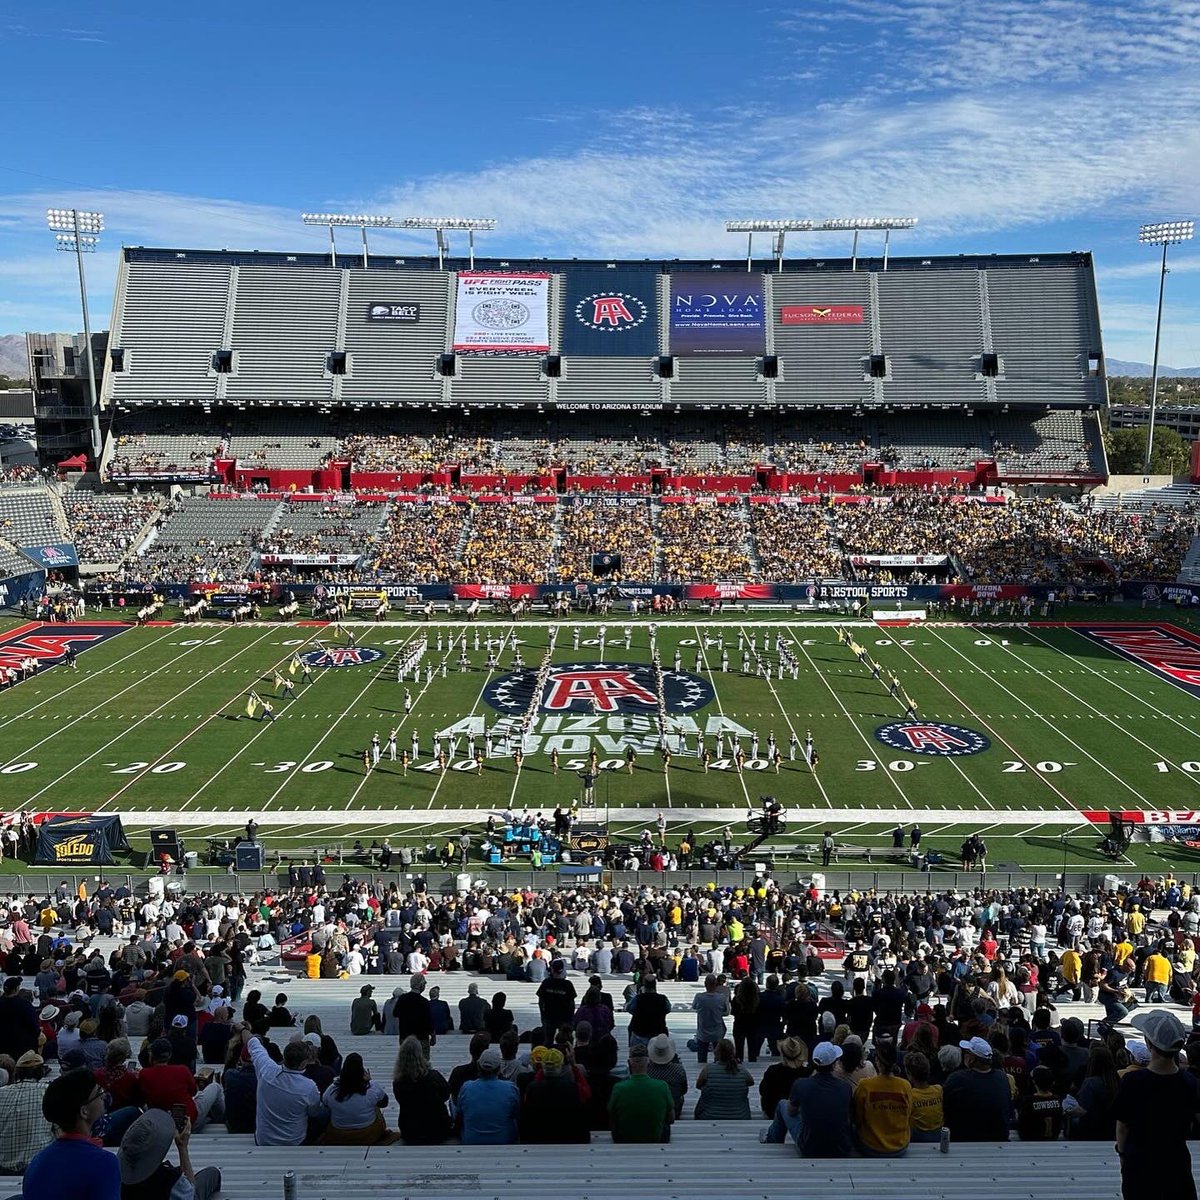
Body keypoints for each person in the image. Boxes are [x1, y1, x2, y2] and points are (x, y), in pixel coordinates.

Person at [1115, 1010, 1200, 1200]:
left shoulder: (1132, 1081)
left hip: (1140, 1161)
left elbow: (1122, 1127)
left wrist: (1122, 1155)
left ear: (1149, 1043)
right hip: (1176, 1161)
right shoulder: (1189, 1082)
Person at [20, 1068, 120, 1200]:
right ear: (84, 1112)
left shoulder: (37, 1162)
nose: (103, 1096)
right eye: (98, 1092)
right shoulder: (104, 1163)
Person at [762, 1040, 853, 1156]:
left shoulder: (801, 1084)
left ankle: (772, 1139)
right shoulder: (845, 1087)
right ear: (834, 1064)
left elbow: (791, 1111)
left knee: (782, 1104)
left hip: (809, 1148)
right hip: (840, 1148)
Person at [116, 1108, 221, 1200]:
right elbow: (190, 1194)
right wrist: (182, 1148)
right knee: (212, 1173)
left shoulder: (115, 1173)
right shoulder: (170, 1179)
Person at [245, 1032, 327, 1146]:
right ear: (303, 1063)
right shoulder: (309, 1087)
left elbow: (254, 1046)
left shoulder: (266, 1070)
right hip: (294, 1141)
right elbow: (314, 1112)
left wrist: (243, 1029)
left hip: (264, 1140)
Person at [942, 1036, 1011, 1141]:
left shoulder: (956, 1079)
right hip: (998, 1138)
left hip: (964, 1139)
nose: (964, 1055)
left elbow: (945, 1107)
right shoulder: (1002, 1078)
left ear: (972, 1058)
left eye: (967, 1053)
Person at [319, 1053, 395, 1145]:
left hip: (339, 1134)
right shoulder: (372, 1087)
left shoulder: (332, 1090)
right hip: (368, 1134)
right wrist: (370, 1081)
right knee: (376, 1105)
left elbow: (324, 1104)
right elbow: (384, 1103)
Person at [853, 1039, 912, 1156]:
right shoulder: (905, 1086)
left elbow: (857, 1118)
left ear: (877, 1062)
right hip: (899, 1145)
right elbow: (908, 1114)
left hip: (870, 1146)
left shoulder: (865, 1085)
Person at [520, 1047, 589, 1144]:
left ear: (543, 1067)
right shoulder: (574, 1087)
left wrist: (543, 1069)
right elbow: (587, 1093)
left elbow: (535, 1085)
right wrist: (573, 1065)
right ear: (561, 1066)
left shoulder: (532, 1089)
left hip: (539, 1138)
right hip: (569, 1137)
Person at [391, 1035, 452, 1145]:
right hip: (438, 1131)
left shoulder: (398, 1082)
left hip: (410, 1133)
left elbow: (400, 1100)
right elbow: (446, 1095)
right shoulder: (434, 1076)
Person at [608, 1045, 674, 1143]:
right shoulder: (662, 1086)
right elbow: (671, 1118)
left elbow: (611, 1117)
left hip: (623, 1139)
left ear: (629, 1063)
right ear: (649, 1062)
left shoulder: (619, 1088)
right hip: (655, 1138)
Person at [0, 1051, 52, 1174]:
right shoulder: (49, 1092)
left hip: (4, 1167)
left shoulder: (1, 1093)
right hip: (39, 1168)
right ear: (41, 1072)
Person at [456, 1047, 520, 1145]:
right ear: (499, 1069)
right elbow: (517, 1113)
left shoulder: (466, 1087)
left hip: (471, 1140)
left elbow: (460, 1113)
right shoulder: (510, 1088)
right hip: (504, 1140)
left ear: (478, 1066)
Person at [694, 1038, 752, 1120]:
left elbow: (698, 1086)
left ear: (716, 1052)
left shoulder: (708, 1069)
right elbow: (751, 1082)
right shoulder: (741, 1070)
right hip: (740, 1115)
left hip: (708, 1115)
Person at [688, 974, 729, 1063]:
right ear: (715, 984)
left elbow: (694, 1007)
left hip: (703, 1032)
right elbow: (726, 1011)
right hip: (717, 1032)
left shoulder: (699, 997)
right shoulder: (722, 998)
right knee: (719, 1058)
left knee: (702, 1058)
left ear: (705, 984)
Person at [646, 1034, 689, 1120]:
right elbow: (684, 1090)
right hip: (675, 1110)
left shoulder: (646, 1070)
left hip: (650, 1112)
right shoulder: (678, 1069)